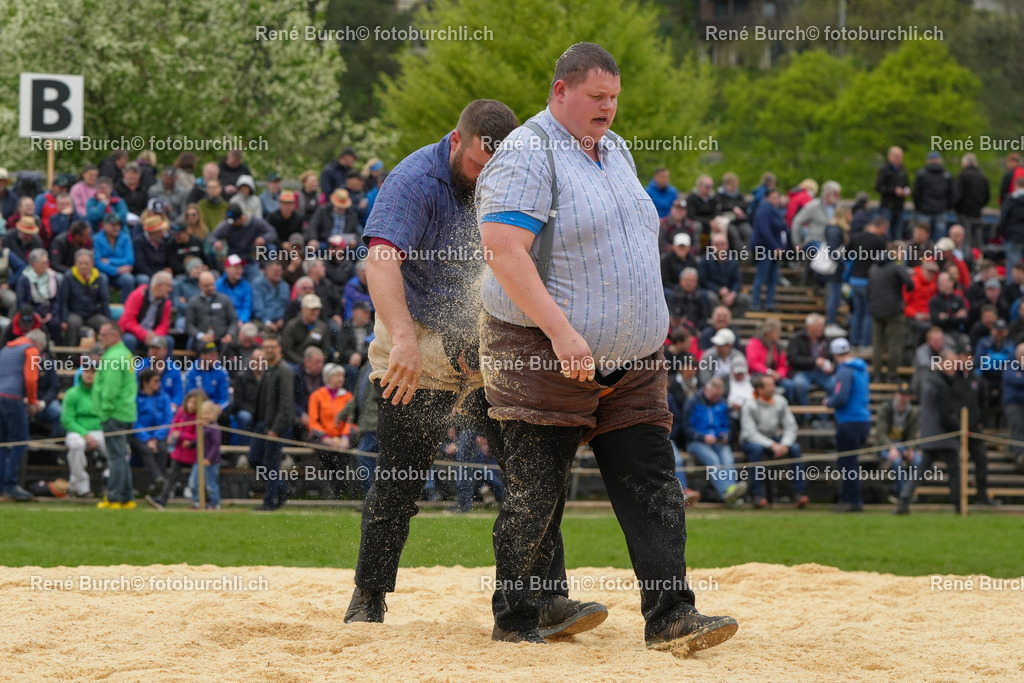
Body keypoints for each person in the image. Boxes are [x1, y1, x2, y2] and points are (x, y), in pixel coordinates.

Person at [477, 44, 736, 650]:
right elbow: (504, 251)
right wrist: (563, 331)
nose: (610, 108)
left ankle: (671, 615)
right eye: (598, 97)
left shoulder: (615, 149)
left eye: (615, 97)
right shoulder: (527, 153)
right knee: (536, 489)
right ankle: (520, 616)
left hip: (635, 359)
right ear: (560, 91)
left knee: (651, 481)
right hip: (542, 351)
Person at [901, 350, 961, 514]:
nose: (954, 367)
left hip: (930, 436)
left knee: (920, 472)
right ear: (941, 363)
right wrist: (959, 430)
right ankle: (958, 505)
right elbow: (946, 416)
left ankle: (904, 500)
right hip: (944, 437)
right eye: (950, 364)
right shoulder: (942, 385)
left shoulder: (930, 380)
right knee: (955, 472)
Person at [740, 375, 808, 509]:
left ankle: (800, 493)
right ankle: (757, 495)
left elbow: (791, 426)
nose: (773, 388)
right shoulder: (749, 404)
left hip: (775, 439)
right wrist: (772, 445)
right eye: (769, 385)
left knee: (795, 448)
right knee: (756, 450)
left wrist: (785, 444)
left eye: (773, 385)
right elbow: (750, 432)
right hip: (752, 440)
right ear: (759, 389)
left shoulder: (780, 401)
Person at [93, 323, 138, 509]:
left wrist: (105, 409)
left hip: (113, 412)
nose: (100, 338)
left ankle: (114, 498)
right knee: (121, 456)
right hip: (125, 412)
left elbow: (110, 388)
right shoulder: (125, 353)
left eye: (103, 335)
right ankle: (127, 498)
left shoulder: (113, 357)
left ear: (114, 336)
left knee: (116, 458)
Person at [248, 334, 294, 510]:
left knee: (270, 463)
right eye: (266, 347)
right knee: (254, 458)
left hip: (276, 426)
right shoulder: (268, 368)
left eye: (272, 347)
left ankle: (269, 502)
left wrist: (275, 428)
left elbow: (286, 404)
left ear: (279, 348)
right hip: (263, 424)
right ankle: (281, 488)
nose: (268, 350)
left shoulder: (284, 371)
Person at [0, 330, 48, 501]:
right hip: (12, 398)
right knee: (20, 442)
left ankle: (2, 486)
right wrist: (33, 401)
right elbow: (30, 378)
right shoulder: (31, 350)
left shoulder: (6, 348)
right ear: (39, 344)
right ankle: (10, 485)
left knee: (3, 443)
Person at [824, 338, 870, 513]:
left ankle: (852, 500)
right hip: (862, 419)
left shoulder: (845, 370)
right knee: (852, 462)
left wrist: (829, 402)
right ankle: (851, 499)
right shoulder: (862, 368)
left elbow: (841, 397)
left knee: (847, 463)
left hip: (849, 420)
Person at [685, 378, 746, 505]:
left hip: (719, 442)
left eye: (718, 396)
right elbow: (685, 428)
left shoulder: (722, 403)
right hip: (697, 443)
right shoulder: (693, 403)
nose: (715, 399)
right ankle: (727, 493)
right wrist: (702, 437)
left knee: (728, 460)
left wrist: (726, 436)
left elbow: (729, 426)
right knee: (713, 460)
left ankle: (731, 490)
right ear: (707, 390)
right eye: (713, 396)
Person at [146, 388, 204, 509]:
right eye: (191, 402)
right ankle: (162, 499)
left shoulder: (200, 418)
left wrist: (183, 436)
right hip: (178, 452)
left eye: (195, 403)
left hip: (193, 453)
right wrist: (171, 434)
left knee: (195, 480)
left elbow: (199, 436)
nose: (192, 405)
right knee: (171, 476)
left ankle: (198, 502)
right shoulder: (181, 412)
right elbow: (174, 426)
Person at [61, 359, 105, 497]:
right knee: (76, 445)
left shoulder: (103, 394)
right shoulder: (72, 393)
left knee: (120, 448)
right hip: (77, 431)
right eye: (86, 371)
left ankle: (110, 482)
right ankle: (81, 487)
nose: (89, 374)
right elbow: (67, 419)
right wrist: (85, 434)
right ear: (81, 373)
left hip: (100, 431)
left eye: (93, 372)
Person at [867, 256, 914, 383]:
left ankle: (876, 375)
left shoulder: (873, 267)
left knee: (877, 344)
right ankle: (892, 374)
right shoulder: (895, 266)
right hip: (894, 310)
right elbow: (910, 283)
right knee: (895, 343)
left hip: (876, 309)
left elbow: (869, 288)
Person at [876, 382, 920, 507]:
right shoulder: (886, 408)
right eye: (901, 394)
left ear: (909, 397)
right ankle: (904, 495)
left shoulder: (913, 412)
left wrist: (910, 449)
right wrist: (891, 448)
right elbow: (881, 434)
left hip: (904, 445)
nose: (903, 397)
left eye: (906, 395)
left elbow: (913, 435)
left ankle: (905, 492)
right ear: (896, 394)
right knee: (896, 461)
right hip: (886, 445)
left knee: (917, 460)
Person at [130, 369, 172, 495]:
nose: (159, 383)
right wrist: (147, 438)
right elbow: (134, 421)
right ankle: (158, 479)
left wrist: (156, 437)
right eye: (156, 381)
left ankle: (158, 485)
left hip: (159, 435)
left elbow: (167, 420)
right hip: (139, 435)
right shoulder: (135, 398)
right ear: (145, 382)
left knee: (163, 450)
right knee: (146, 450)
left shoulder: (164, 397)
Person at [59, 249, 111, 346]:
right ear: (75, 263)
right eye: (80, 263)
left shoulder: (100, 278)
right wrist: (63, 320)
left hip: (93, 313)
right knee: (73, 323)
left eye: (86, 263)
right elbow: (64, 300)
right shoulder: (68, 277)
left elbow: (104, 301)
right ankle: (71, 355)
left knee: (104, 324)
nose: (83, 266)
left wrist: (109, 320)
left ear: (92, 264)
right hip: (75, 313)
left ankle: (103, 353)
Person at [749, 186, 787, 311]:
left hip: (773, 249)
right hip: (764, 248)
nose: (775, 200)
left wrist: (780, 247)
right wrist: (775, 247)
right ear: (766, 198)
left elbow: (781, 231)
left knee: (773, 277)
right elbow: (764, 231)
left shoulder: (776, 211)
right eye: (773, 197)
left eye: (777, 197)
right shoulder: (764, 210)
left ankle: (769, 304)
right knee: (761, 276)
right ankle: (755, 303)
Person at [787, 314, 837, 406]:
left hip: (823, 373)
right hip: (802, 371)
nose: (821, 329)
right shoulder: (797, 339)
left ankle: (824, 416)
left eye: (822, 326)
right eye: (818, 327)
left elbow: (834, 357)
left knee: (835, 384)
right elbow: (793, 359)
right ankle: (806, 415)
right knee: (799, 384)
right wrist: (814, 361)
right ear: (808, 327)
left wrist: (832, 366)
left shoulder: (826, 340)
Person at [119, 273, 174, 353]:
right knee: (129, 340)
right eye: (168, 286)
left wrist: (155, 335)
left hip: (153, 336)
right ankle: (129, 365)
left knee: (168, 341)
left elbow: (164, 324)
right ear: (158, 285)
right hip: (134, 334)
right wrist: (144, 335)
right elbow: (127, 320)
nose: (170, 289)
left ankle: (164, 365)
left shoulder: (166, 302)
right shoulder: (137, 295)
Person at [16, 248, 63, 341]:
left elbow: (57, 299)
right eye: (43, 263)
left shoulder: (53, 276)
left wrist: (52, 313)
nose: (46, 265)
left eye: (47, 262)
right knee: (33, 323)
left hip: (49, 310)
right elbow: (21, 302)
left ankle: (58, 352)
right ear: (34, 264)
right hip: (32, 311)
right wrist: (34, 314)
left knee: (56, 324)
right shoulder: (24, 279)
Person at [186, 271, 239, 351]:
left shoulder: (224, 299)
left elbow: (234, 320)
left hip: (222, 338)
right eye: (207, 285)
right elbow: (189, 325)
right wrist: (200, 336)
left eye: (212, 284)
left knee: (230, 347)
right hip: (203, 340)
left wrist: (230, 334)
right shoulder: (193, 302)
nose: (210, 288)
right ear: (200, 285)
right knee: (205, 348)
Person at [699, 233, 749, 316]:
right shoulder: (704, 261)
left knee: (745, 299)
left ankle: (733, 323)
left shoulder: (733, 261)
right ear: (712, 246)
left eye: (723, 244)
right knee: (711, 297)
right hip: (711, 291)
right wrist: (719, 289)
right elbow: (703, 280)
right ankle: (714, 320)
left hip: (729, 292)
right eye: (717, 244)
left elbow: (738, 280)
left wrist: (732, 294)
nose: (720, 246)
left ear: (727, 245)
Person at [913, 151, 957, 241]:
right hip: (941, 210)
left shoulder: (922, 174)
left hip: (925, 210)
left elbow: (916, 193)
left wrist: (919, 207)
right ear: (940, 160)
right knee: (939, 240)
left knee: (921, 238)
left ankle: (922, 254)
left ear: (928, 161)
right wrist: (946, 207)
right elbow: (953, 194)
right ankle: (938, 255)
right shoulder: (947, 175)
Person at [189, 400, 223, 510]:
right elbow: (199, 441)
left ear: (214, 414)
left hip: (211, 462)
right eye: (203, 413)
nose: (205, 416)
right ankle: (197, 501)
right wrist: (190, 444)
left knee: (211, 485)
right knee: (193, 483)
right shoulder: (201, 427)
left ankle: (214, 504)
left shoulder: (214, 428)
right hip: (198, 460)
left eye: (208, 413)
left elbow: (215, 445)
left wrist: (209, 459)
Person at [282, 294, 332, 364]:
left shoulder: (322, 326)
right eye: (312, 309)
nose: (315, 312)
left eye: (317, 309)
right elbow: (287, 350)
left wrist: (319, 361)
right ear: (303, 309)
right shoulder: (292, 326)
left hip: (317, 363)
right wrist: (303, 363)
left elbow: (326, 349)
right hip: (296, 362)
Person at [955, 153, 990, 249]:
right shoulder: (983, 177)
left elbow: (958, 196)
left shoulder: (963, 176)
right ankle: (978, 261)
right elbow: (987, 197)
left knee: (965, 241)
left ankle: (966, 262)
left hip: (964, 214)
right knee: (978, 243)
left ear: (965, 163)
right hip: (977, 214)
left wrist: (958, 208)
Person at [185, 342, 231, 413]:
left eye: (216, 355)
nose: (215, 358)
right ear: (202, 356)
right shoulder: (191, 372)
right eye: (212, 355)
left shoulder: (222, 372)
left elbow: (225, 399)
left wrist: (217, 408)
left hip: (215, 409)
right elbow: (190, 394)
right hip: (196, 408)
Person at [875, 146, 910, 240]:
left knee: (898, 231)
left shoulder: (903, 170)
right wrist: (893, 190)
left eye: (899, 156)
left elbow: (906, 184)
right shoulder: (884, 169)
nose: (898, 158)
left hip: (899, 206)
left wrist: (906, 190)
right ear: (889, 156)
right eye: (896, 155)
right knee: (886, 231)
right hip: (887, 206)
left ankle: (897, 251)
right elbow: (878, 187)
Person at [1002, 342, 1024, 475]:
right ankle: (1020, 456)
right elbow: (1015, 381)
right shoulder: (1010, 366)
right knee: (1018, 426)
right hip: (1013, 404)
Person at [253, 260, 290, 332]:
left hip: (280, 322)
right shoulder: (258, 284)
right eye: (276, 271)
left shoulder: (285, 286)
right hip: (263, 321)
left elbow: (287, 307)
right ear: (267, 271)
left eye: (280, 271)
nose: (278, 274)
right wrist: (268, 322)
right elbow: (258, 308)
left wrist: (283, 319)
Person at [998, 175, 1024, 273]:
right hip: (1015, 235)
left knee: (1013, 269)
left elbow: (1003, 218)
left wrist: (1003, 234)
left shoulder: (1010, 199)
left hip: (1013, 237)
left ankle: (1013, 288)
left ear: (1015, 185)